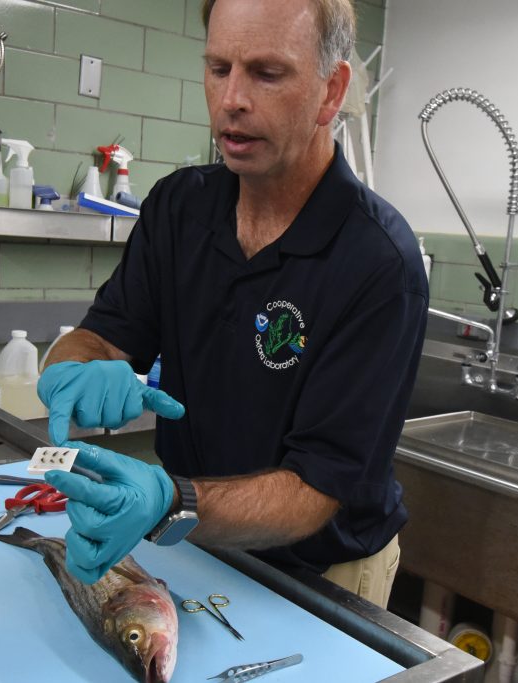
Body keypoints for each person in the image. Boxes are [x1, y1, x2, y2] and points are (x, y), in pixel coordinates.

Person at [38, 0, 428, 608]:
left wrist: (171, 500)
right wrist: (70, 366)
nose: (231, 100)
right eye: (218, 68)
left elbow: (314, 489)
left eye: (266, 73)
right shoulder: (178, 208)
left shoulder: (378, 263)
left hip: (323, 574)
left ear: (332, 91)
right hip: (196, 543)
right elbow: (102, 335)